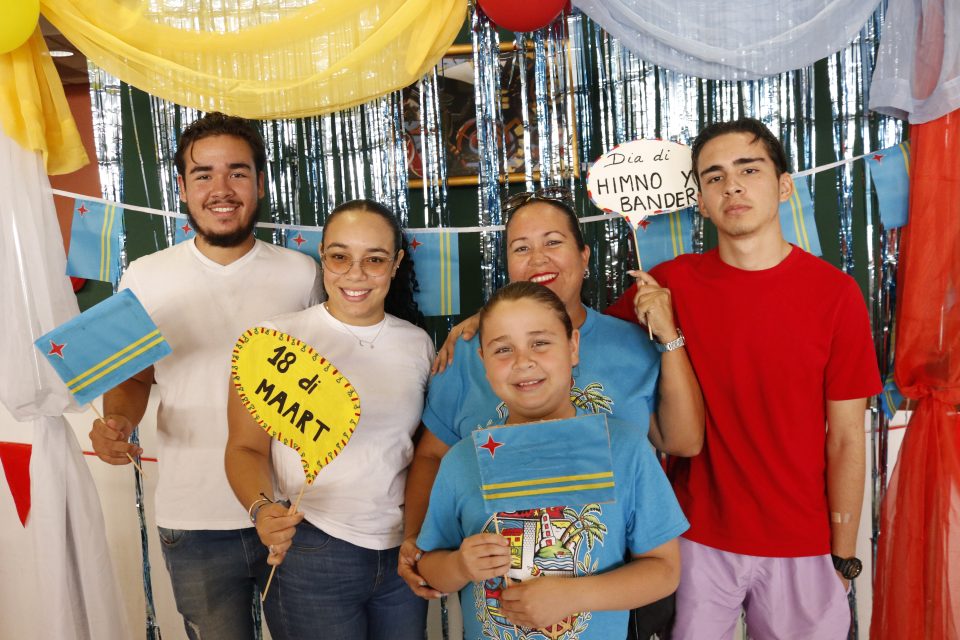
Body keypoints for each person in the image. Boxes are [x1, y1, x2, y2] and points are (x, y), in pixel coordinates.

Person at [606, 117, 882, 639]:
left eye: (748, 169)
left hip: (803, 543)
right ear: (703, 202)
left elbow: (846, 437)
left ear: (782, 185)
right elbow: (582, 338)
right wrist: (488, 320)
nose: (731, 185)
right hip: (694, 538)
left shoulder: (835, 295)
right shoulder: (669, 284)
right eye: (713, 177)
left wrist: (843, 555)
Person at [401, 190, 703, 638]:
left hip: (608, 594)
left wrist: (668, 336)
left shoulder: (631, 361)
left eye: (553, 241)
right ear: (487, 357)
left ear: (584, 255)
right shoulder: (465, 363)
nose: (524, 362)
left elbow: (682, 445)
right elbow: (431, 460)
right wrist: (419, 546)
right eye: (521, 247)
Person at [88, 112, 323, 640]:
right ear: (182, 188)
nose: (222, 189)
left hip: (293, 513)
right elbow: (133, 375)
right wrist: (117, 422)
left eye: (237, 172)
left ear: (260, 183)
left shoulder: (302, 274)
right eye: (203, 175)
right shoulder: (146, 276)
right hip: (193, 519)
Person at [225, 199, 434, 640]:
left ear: (395, 263)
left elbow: (418, 450)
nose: (355, 274)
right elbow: (244, 447)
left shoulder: (417, 344)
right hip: (312, 546)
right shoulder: (273, 340)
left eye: (374, 259)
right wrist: (263, 510)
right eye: (340, 257)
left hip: (400, 551)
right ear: (323, 257)